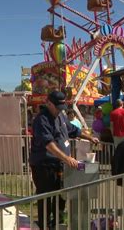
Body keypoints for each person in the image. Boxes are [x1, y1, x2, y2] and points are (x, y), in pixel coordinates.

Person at [30, 91, 99, 229]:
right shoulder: (41, 119)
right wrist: (67, 158)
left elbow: (73, 129)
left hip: (59, 165)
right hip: (44, 165)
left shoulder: (60, 116)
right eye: (57, 107)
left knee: (59, 196)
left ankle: (57, 223)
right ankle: (45, 225)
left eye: (62, 108)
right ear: (49, 103)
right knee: (45, 197)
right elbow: (48, 144)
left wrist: (89, 137)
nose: (60, 111)